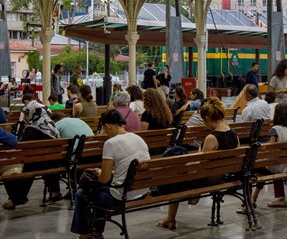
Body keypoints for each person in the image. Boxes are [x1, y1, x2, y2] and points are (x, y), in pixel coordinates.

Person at [157, 98, 239, 230]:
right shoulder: (234, 134)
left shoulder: (211, 138)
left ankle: (170, 219)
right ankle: (170, 217)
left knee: (175, 177)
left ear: (207, 118)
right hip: (221, 174)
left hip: (208, 177)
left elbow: (201, 164)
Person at [70, 110, 150, 239]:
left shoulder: (111, 143)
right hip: (142, 190)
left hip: (121, 196)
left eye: (104, 129)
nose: (106, 134)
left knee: (82, 193)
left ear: (107, 126)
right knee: (96, 190)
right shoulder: (138, 138)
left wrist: (99, 172)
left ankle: (83, 235)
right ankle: (96, 231)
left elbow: (104, 179)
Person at [2, 93, 61, 210]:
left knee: (13, 170)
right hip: (54, 162)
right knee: (31, 163)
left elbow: (21, 149)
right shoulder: (52, 127)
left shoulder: (32, 129)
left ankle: (15, 199)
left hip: (37, 162)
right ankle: (55, 191)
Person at [247, 103, 287, 210]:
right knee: (272, 167)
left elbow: (270, 150)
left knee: (254, 168)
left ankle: (249, 200)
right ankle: (279, 198)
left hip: (275, 165)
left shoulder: (275, 130)